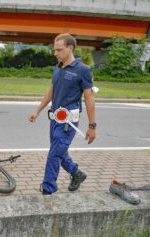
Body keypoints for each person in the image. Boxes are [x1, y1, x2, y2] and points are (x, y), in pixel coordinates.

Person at [29, 33, 96, 195]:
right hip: (54, 120)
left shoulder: (83, 70)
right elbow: (52, 91)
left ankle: (48, 188)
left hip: (68, 122)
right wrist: (38, 110)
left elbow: (89, 98)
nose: (55, 53)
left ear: (70, 48)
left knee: (54, 154)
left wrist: (92, 126)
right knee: (58, 151)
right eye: (55, 50)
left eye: (59, 50)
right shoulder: (58, 68)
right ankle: (76, 173)